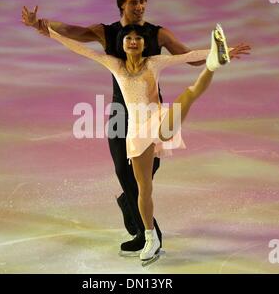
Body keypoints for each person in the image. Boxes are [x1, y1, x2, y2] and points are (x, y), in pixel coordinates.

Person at [21, 0, 250, 257]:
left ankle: (130, 206)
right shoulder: (107, 32)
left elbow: (188, 57)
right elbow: (75, 34)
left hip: (151, 111)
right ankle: (148, 234)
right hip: (121, 110)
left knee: (145, 175)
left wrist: (217, 54)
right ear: (122, 5)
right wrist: (40, 24)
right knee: (122, 170)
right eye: (134, 2)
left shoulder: (158, 34)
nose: (140, 6)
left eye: (143, 1)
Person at [42, 22, 231, 261]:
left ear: (144, 44)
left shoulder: (153, 63)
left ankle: (214, 64)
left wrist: (223, 50)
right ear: (122, 44)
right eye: (128, 38)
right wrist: (49, 32)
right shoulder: (116, 65)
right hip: (137, 133)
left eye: (138, 38)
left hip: (158, 120)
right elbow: (83, 50)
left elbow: (188, 56)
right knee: (144, 189)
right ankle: (150, 237)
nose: (133, 41)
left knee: (188, 96)